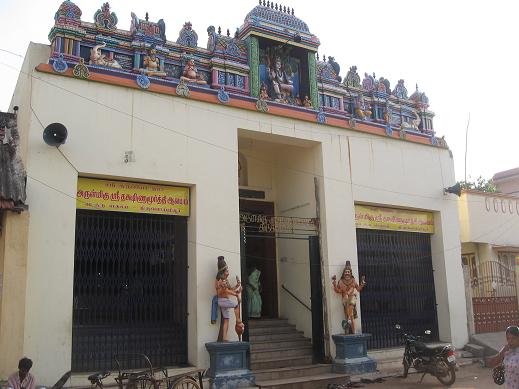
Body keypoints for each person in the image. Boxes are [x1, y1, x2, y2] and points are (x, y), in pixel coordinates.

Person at [331, 260, 366, 334]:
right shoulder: (340, 281)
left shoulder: (353, 280)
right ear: (344, 273)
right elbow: (338, 291)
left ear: (350, 273)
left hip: (352, 298)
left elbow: (358, 289)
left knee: (351, 306)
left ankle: (350, 321)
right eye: (346, 272)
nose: (347, 273)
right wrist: (334, 283)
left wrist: (362, 283)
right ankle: (351, 329)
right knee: (350, 315)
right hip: (345, 299)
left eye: (348, 272)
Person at [215, 256, 244, 341]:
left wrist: (237, 287)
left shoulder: (225, 280)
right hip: (222, 300)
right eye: (227, 271)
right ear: (223, 272)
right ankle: (238, 321)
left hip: (224, 301)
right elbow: (227, 291)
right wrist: (235, 294)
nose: (228, 272)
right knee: (236, 305)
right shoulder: (221, 280)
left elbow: (230, 290)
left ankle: (224, 338)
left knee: (226, 319)